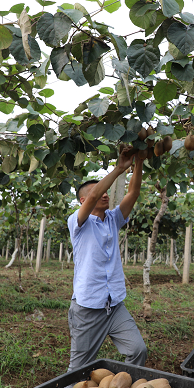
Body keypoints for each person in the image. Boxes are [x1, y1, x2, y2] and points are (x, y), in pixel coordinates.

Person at [66, 146, 147, 374]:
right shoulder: (78, 223)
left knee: (137, 349)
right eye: (99, 192)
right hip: (88, 308)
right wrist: (119, 168)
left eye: (106, 192)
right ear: (83, 200)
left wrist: (139, 161)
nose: (105, 194)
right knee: (78, 369)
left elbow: (133, 193)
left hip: (114, 305)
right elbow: (93, 196)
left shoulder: (112, 219)